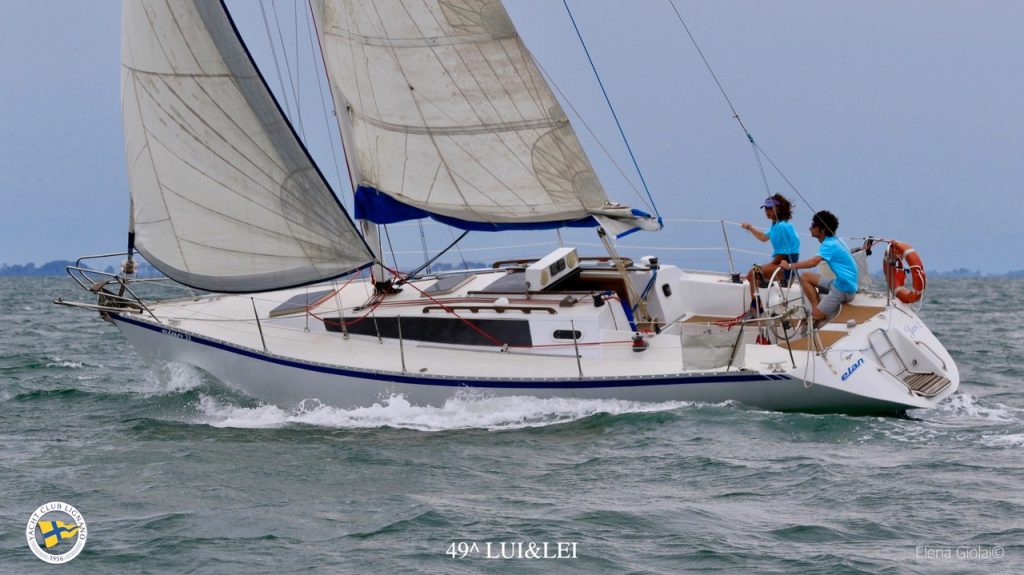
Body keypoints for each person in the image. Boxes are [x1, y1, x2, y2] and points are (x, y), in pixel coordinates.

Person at [779, 210, 858, 327]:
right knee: (805, 276)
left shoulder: (829, 245)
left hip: (844, 290)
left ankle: (817, 313)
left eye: (813, 225)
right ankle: (817, 307)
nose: (810, 228)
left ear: (823, 230)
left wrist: (789, 266)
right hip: (840, 283)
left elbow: (813, 262)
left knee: (816, 316)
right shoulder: (835, 240)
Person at [740, 194, 800, 315]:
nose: (767, 211)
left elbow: (782, 254)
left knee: (753, 273)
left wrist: (767, 267)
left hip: (785, 267)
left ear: (778, 209)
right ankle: (760, 306)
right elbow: (763, 237)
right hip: (782, 263)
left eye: (770, 208)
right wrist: (749, 227)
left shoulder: (781, 227)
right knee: (753, 273)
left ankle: (756, 309)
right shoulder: (777, 225)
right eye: (766, 208)